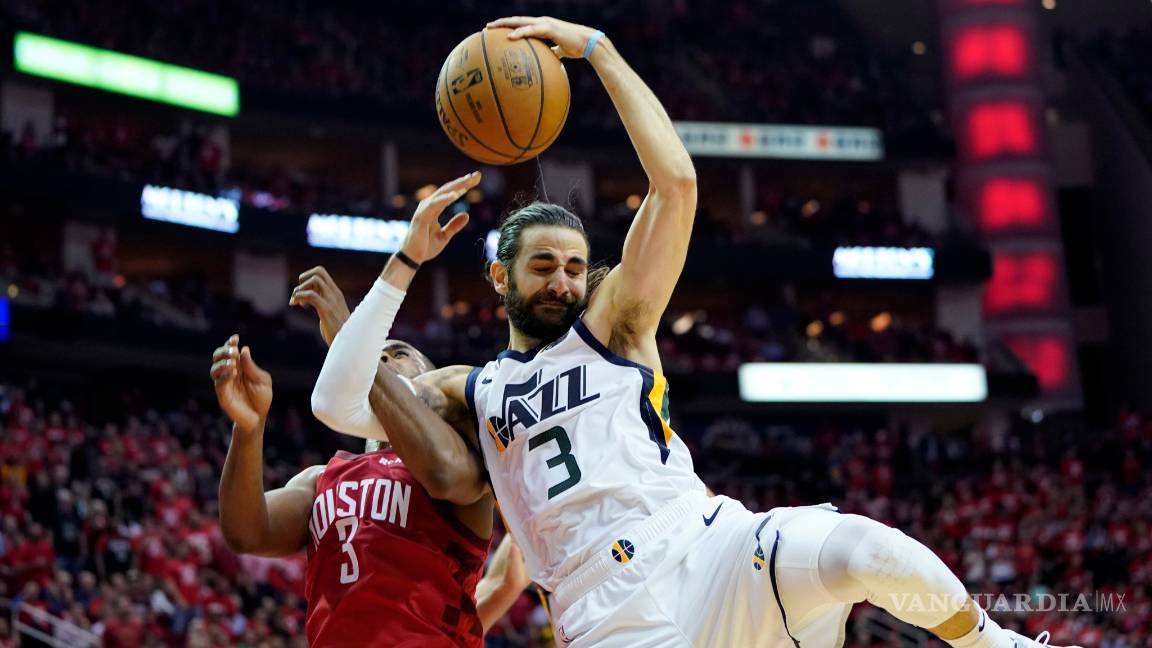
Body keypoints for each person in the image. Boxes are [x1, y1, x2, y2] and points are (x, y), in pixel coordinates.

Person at [311, 16, 1079, 648]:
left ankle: (998, 645)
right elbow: (338, 406)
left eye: (576, 267)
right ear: (500, 278)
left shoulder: (611, 323)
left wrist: (600, 51)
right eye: (543, 266)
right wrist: (405, 260)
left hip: (709, 544)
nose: (564, 282)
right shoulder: (469, 389)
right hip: (606, 613)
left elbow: (676, 183)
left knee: (861, 550)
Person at [211, 266, 528, 647]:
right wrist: (248, 430)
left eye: (398, 354)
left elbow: (445, 476)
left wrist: (351, 341)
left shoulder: (461, 456)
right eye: (376, 356)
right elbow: (246, 533)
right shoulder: (321, 478)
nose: (383, 361)